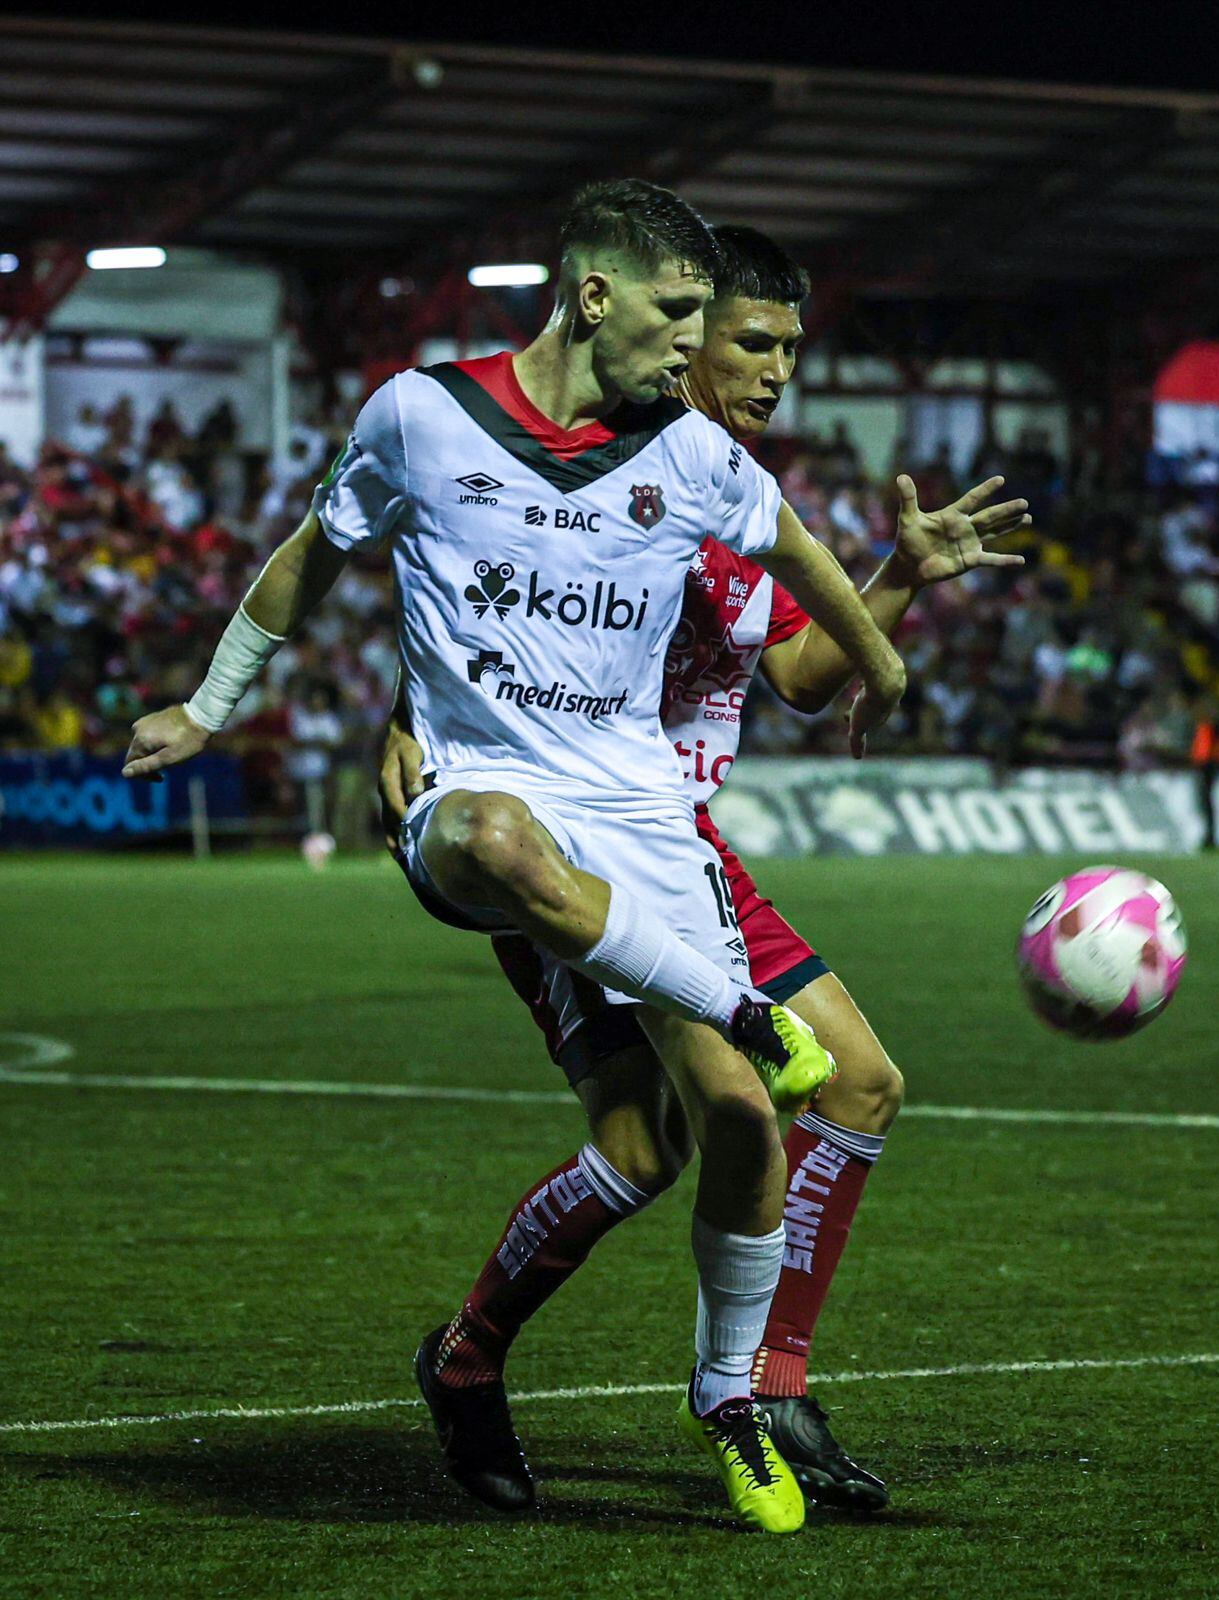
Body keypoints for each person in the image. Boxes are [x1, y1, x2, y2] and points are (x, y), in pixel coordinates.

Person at [122, 180, 911, 1535]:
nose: (713, 351)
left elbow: (794, 576)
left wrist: (887, 652)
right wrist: (220, 702)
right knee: (518, 880)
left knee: (717, 1125)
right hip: (508, 817)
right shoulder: (424, 415)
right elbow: (326, 557)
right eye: (697, 322)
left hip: (651, 826)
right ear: (598, 299)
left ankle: (705, 1387)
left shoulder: (692, 462)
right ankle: (732, 1047)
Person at [379, 225, 1029, 1515]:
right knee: (669, 1132)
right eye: (751, 340)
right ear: (677, 340)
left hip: (690, 849)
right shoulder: (611, 469)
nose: (779, 368)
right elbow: (465, 577)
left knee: (850, 1088)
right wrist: (400, 719)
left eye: (793, 344)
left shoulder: (725, 493)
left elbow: (798, 681)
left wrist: (900, 575)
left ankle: (754, 1382)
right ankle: (539, 1368)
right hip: (569, 849)